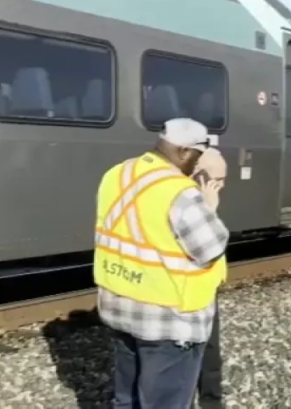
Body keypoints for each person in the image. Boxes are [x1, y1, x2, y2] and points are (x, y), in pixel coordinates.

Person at [93, 118, 229, 409]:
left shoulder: (118, 173)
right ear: (182, 151)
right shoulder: (179, 191)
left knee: (126, 401)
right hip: (168, 322)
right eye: (197, 154)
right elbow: (211, 247)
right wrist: (209, 206)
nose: (198, 163)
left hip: (120, 307)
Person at [192, 148, 228, 409]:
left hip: (206, 288)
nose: (223, 185)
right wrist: (210, 212)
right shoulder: (184, 203)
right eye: (218, 179)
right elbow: (205, 248)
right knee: (189, 357)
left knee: (211, 355)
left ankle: (212, 403)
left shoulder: (202, 200)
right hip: (186, 292)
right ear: (201, 176)